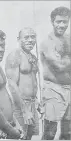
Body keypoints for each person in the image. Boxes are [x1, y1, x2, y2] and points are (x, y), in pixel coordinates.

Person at [40, 6, 71, 140]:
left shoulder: (69, 38)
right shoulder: (47, 43)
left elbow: (65, 63)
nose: (62, 25)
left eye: (65, 21)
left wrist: (65, 58)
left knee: (68, 131)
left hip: (69, 89)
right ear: (52, 21)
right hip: (53, 89)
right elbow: (59, 66)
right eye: (58, 21)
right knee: (49, 132)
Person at [5, 27, 40, 140]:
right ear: (18, 39)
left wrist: (37, 100)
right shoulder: (15, 55)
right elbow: (12, 84)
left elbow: (32, 81)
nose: (30, 40)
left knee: (29, 137)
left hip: (32, 104)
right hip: (20, 105)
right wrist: (25, 110)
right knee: (19, 136)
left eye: (33, 37)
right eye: (26, 37)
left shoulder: (33, 57)